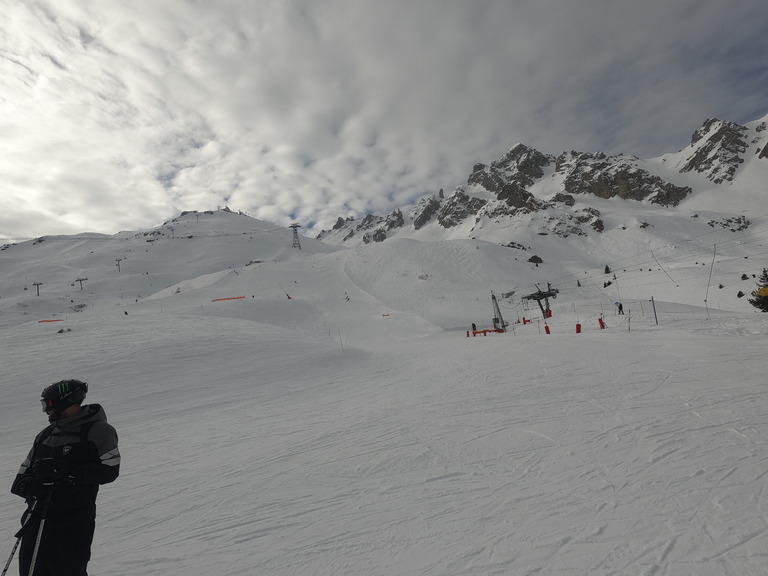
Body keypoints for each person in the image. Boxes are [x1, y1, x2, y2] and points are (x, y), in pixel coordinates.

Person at [10, 379, 120, 576]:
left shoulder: (98, 431)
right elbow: (20, 479)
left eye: (49, 405)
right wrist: (31, 487)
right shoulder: (45, 434)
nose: (46, 411)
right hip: (35, 523)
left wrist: (68, 471)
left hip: (72, 525)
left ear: (66, 402)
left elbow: (110, 470)